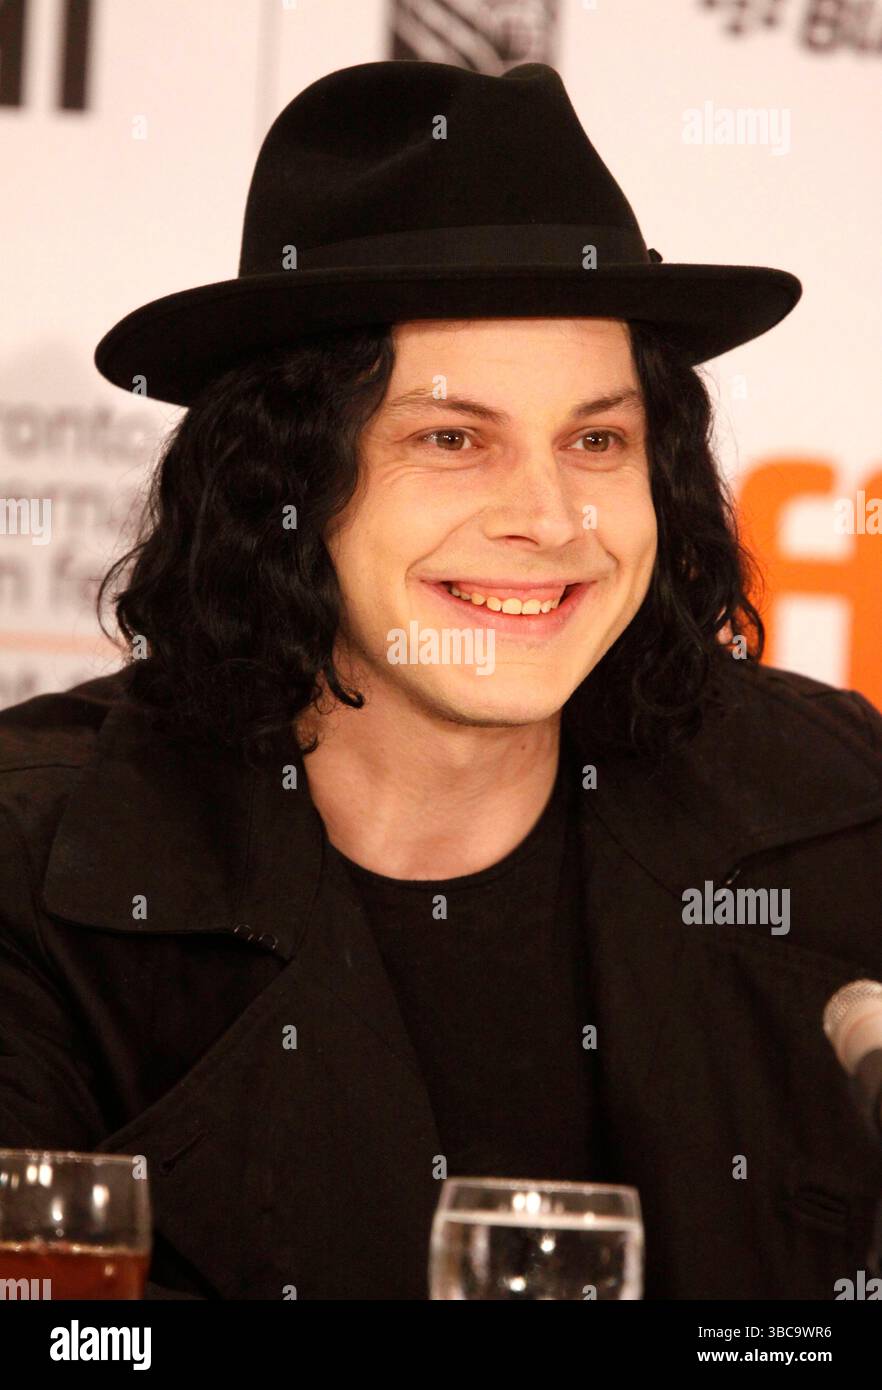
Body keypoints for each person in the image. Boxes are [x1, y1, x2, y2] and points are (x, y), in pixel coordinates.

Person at [2, 59, 881, 1301]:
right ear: (284, 488)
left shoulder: (836, 812)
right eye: (452, 439)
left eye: (598, 438)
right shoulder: (34, 867)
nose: (550, 515)